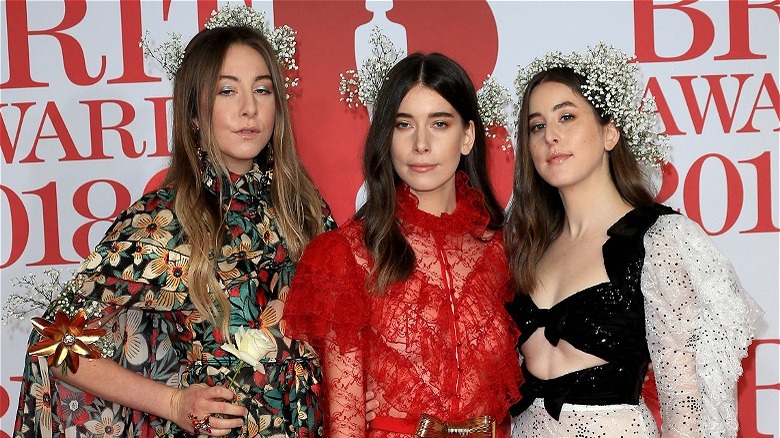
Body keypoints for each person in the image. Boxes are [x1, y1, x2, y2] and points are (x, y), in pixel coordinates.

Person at [13, 24, 334, 438]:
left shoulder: (305, 210)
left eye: (262, 90)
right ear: (195, 113)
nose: (249, 109)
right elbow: (58, 344)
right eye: (227, 91)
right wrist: (172, 402)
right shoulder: (164, 219)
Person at [503, 42, 762, 437]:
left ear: (610, 133)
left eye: (567, 117)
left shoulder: (661, 240)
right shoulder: (527, 245)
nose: (550, 136)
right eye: (537, 126)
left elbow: (684, 404)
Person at [283, 52, 522, 437]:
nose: (421, 144)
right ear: (385, 137)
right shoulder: (349, 254)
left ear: (467, 137)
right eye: (404, 125)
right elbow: (344, 424)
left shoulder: (507, 250)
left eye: (439, 124)